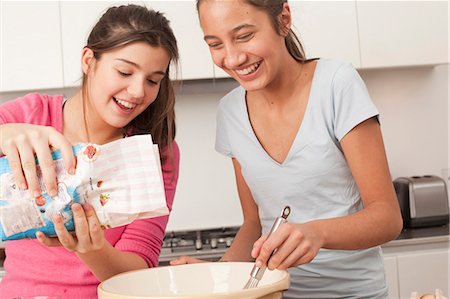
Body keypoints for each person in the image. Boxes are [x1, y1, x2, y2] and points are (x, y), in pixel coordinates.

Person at [170, 1, 403, 298]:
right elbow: (254, 224)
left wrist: (317, 233)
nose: (232, 57)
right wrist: (218, 275)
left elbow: (387, 218)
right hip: (276, 293)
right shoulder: (230, 111)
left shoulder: (335, 83)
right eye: (215, 44)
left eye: (243, 36)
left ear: (283, 19)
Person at [0, 4, 180, 298]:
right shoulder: (30, 116)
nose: (137, 91)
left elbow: (138, 270)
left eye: (152, 80)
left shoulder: (155, 151)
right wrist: (4, 134)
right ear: (89, 60)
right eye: (124, 71)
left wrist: (92, 250)